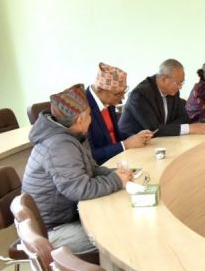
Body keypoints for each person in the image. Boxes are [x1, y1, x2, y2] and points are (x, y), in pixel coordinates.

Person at [22, 84, 132, 255]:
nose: (91, 119)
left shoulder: (72, 135)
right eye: (90, 115)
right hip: (51, 230)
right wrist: (116, 180)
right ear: (80, 119)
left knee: (118, 218)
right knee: (113, 234)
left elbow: (91, 169)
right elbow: (79, 189)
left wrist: (114, 174)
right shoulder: (59, 145)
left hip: (65, 217)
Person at [118, 59, 205, 137]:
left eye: (182, 83)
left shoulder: (172, 91)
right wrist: (189, 128)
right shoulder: (140, 95)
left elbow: (184, 116)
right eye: (178, 83)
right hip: (131, 144)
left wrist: (166, 129)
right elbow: (154, 129)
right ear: (164, 79)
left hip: (159, 141)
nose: (180, 87)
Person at [84, 62, 152, 165]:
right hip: (101, 167)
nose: (122, 99)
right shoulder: (83, 108)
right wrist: (125, 145)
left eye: (124, 92)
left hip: (120, 160)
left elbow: (115, 136)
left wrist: (137, 137)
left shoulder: (108, 101)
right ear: (100, 89)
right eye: (118, 94)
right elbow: (89, 154)